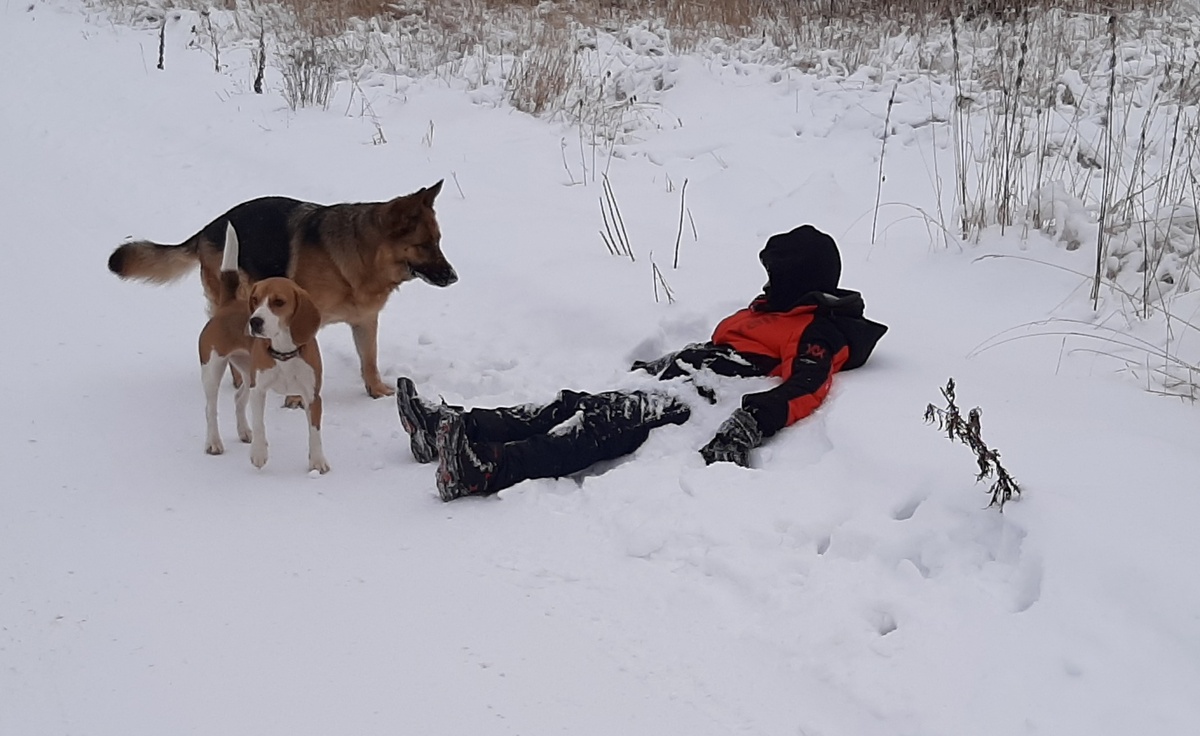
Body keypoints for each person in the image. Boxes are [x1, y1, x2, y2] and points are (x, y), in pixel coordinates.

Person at [397, 225, 888, 502]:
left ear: (801, 279)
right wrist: (659, 367)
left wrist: (749, 422)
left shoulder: (818, 329)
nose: (766, 283)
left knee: (595, 425)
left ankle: (484, 469)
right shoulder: (767, 310)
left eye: (776, 274)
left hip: (699, 400)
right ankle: (454, 425)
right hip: (677, 383)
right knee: (570, 406)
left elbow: (805, 387)